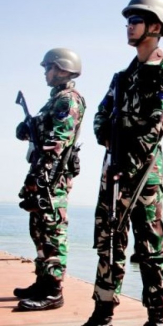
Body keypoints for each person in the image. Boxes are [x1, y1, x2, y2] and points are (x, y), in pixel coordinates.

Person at [83, 0, 163, 326]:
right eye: (128, 22)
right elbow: (100, 115)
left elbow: (158, 123)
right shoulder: (121, 77)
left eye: (135, 21)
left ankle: (156, 317)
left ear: (155, 27)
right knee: (109, 243)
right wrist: (109, 141)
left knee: (149, 246)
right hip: (112, 171)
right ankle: (102, 310)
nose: (129, 27)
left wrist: (127, 163)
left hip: (143, 175)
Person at [13, 48, 85, 311]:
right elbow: (33, 134)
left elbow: (57, 142)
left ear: (63, 68)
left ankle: (54, 291)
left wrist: (38, 174)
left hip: (51, 176)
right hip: (42, 172)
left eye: (49, 68)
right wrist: (28, 127)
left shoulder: (68, 101)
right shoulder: (53, 101)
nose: (46, 73)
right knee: (39, 230)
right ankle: (43, 282)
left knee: (52, 232)